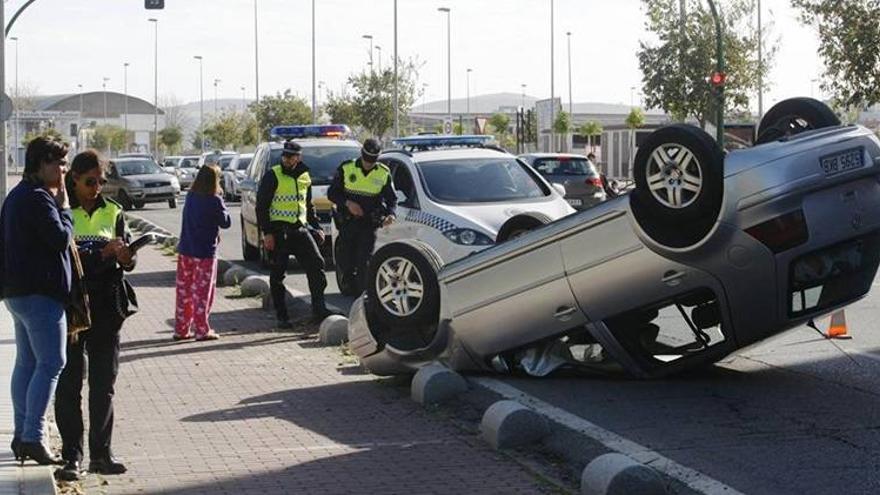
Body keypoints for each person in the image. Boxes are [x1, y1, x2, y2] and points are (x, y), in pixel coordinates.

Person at [54, 149, 135, 480]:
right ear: (74, 177)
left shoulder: (113, 211)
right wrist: (101, 253)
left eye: (101, 181)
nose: (96, 188)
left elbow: (126, 257)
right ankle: (71, 456)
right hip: (72, 306)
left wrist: (127, 256)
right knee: (70, 383)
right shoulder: (61, 211)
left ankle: (101, 454)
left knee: (104, 384)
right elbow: (63, 258)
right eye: (90, 181)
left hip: (106, 306)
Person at [0, 136, 72, 466]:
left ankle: (21, 433)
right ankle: (32, 436)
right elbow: (59, 238)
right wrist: (65, 208)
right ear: (41, 164)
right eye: (58, 162)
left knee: (27, 363)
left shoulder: (17, 196)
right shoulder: (40, 199)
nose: (63, 169)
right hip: (40, 294)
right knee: (52, 363)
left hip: (18, 292)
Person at [256, 140, 331, 328]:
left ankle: (319, 310)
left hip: (300, 229)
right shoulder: (273, 175)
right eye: (285, 155)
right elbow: (262, 206)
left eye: (291, 156)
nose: (287, 159)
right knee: (278, 274)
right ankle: (282, 317)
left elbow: (307, 205)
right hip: (279, 231)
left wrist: (317, 227)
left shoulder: (304, 176)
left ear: (299, 157)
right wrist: (267, 233)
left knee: (317, 265)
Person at [327, 138, 396, 296]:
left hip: (368, 224)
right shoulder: (347, 168)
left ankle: (363, 299)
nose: (368, 163)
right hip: (348, 224)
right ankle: (350, 287)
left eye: (372, 160)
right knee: (346, 262)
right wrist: (347, 203)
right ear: (361, 154)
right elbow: (332, 193)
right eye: (366, 159)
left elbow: (392, 199)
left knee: (364, 262)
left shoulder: (383, 173)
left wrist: (391, 214)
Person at [174, 161, 231, 341]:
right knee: (203, 291)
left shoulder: (191, 196)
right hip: (205, 252)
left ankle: (181, 329)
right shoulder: (214, 199)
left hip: (186, 249)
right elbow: (225, 222)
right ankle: (201, 329)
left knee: (184, 291)